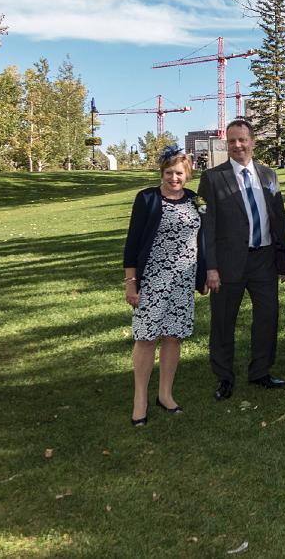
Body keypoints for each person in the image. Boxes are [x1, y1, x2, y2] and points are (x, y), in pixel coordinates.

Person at [198, 119, 285, 401]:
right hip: (228, 263)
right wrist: (210, 267)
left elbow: (277, 219)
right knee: (223, 321)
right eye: (232, 141)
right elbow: (207, 226)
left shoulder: (269, 175)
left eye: (242, 139)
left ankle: (261, 371)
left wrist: (283, 260)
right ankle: (224, 377)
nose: (237, 145)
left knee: (268, 317)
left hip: (264, 259)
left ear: (253, 141)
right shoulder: (212, 178)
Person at [122, 146, 207, 425]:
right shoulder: (147, 198)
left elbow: (203, 239)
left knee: (173, 337)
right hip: (152, 280)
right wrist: (131, 283)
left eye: (179, 173)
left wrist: (204, 274)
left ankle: (165, 394)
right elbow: (132, 243)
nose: (174, 178)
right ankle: (140, 400)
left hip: (183, 280)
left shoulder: (195, 200)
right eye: (169, 172)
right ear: (162, 173)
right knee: (146, 338)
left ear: (188, 174)